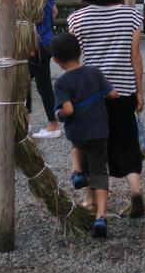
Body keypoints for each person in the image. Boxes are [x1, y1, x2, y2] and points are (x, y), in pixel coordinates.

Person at [67, 0, 145, 218]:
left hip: (91, 95)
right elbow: (136, 57)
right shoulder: (132, 15)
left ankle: (91, 201)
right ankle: (135, 189)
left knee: (94, 147)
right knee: (127, 141)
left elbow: (74, 61)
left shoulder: (77, 18)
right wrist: (139, 91)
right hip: (123, 91)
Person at [50, 32, 117, 238]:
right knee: (99, 171)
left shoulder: (61, 83)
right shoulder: (95, 72)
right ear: (79, 51)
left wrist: (58, 114)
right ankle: (101, 216)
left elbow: (68, 110)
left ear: (56, 60)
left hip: (79, 130)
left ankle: (78, 172)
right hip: (99, 129)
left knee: (76, 146)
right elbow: (112, 93)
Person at [27, 0, 61, 139]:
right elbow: (54, 11)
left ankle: (53, 124)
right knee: (27, 82)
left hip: (36, 44)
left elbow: (33, 16)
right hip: (45, 40)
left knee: (42, 85)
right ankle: (26, 120)